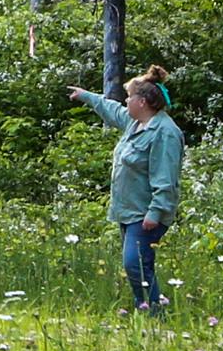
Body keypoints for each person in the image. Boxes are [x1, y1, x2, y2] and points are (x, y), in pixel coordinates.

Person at [66, 66, 183, 312]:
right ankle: (145, 309)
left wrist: (156, 212)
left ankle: (153, 312)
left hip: (147, 212)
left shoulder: (165, 133)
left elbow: (166, 177)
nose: (126, 101)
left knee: (135, 263)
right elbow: (113, 110)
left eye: (129, 97)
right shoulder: (136, 123)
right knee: (137, 264)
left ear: (142, 102)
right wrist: (87, 96)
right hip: (129, 209)